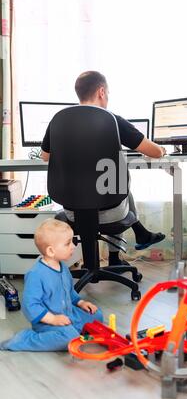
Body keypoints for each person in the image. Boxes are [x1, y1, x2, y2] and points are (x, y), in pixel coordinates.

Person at [41, 71, 166, 266]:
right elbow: (155, 152)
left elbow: (45, 157)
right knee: (116, 185)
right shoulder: (112, 119)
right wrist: (162, 149)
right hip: (110, 209)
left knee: (115, 185)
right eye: (107, 93)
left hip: (72, 210)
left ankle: (122, 250)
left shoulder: (59, 120)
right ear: (101, 92)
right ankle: (122, 252)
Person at [0, 219, 103, 351]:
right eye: (68, 243)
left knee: (97, 315)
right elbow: (30, 305)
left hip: (68, 313)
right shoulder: (36, 274)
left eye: (72, 241)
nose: (73, 246)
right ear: (51, 251)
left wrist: (81, 303)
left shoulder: (63, 267)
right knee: (69, 340)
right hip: (47, 322)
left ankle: (73, 330)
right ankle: (24, 339)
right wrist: (53, 319)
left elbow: (69, 292)